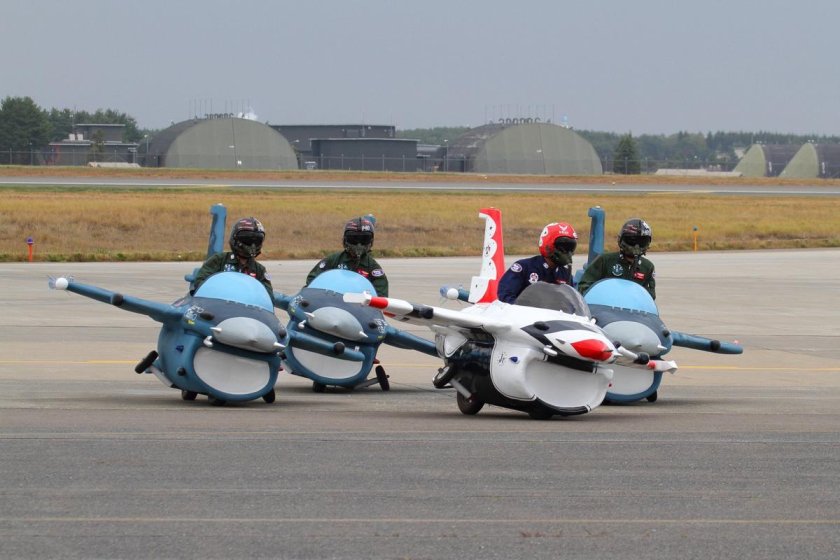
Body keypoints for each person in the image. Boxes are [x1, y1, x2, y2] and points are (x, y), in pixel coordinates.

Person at [306, 215, 388, 296]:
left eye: (364, 239)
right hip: (332, 304)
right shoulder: (333, 260)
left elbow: (381, 297)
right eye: (354, 239)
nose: (359, 245)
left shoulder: (373, 268)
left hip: (359, 307)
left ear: (371, 241)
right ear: (345, 240)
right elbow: (312, 281)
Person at [496, 222, 578, 304]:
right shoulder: (524, 268)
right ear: (548, 246)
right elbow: (505, 295)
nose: (568, 254)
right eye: (563, 248)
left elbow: (571, 303)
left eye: (571, 249)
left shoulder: (565, 274)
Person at [193, 216, 273, 296]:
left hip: (245, 307)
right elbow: (201, 283)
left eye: (256, 241)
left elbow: (268, 296)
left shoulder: (259, 270)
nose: (252, 245)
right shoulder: (219, 260)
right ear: (235, 239)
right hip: (218, 304)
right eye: (247, 240)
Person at [577, 218, 656, 299]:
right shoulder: (605, 260)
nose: (636, 246)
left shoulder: (648, 267)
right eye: (632, 241)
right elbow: (584, 286)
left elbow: (650, 296)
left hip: (632, 309)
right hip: (604, 307)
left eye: (641, 242)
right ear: (621, 240)